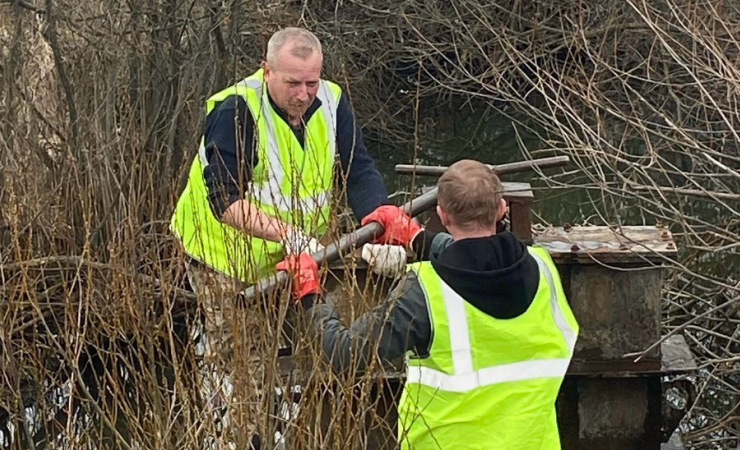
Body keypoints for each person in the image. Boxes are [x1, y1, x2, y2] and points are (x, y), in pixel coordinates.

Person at [169, 27, 402, 448]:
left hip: (300, 258)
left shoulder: (331, 102)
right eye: (293, 82)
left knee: (326, 352)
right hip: (228, 261)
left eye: (311, 81)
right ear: (267, 70)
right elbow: (225, 200)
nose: (304, 93)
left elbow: (359, 169)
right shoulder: (236, 111)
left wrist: (378, 223)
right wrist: (289, 235)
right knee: (247, 375)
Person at [278, 159, 580, 449]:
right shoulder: (542, 269)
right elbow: (482, 259)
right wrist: (418, 239)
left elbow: (346, 353)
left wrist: (308, 294)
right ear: (501, 208)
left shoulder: (425, 291)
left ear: (443, 215)